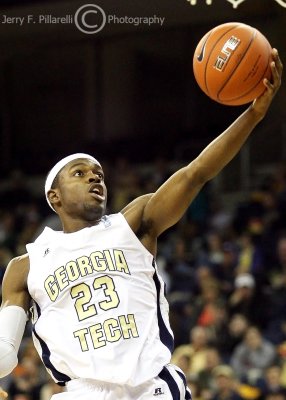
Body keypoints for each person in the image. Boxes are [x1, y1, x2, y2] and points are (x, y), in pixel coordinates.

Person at [0, 49, 282, 400]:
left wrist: (253, 115)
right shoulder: (25, 266)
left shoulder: (133, 223)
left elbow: (196, 174)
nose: (94, 178)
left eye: (98, 173)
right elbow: (3, 355)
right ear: (54, 197)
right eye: (80, 173)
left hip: (149, 387)